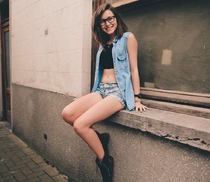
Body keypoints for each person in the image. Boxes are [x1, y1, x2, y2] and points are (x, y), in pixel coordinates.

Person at [61, 3, 148, 182]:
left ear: (116, 18)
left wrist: (137, 98)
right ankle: (100, 139)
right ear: (99, 25)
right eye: (102, 21)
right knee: (67, 114)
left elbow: (134, 69)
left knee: (80, 125)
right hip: (101, 90)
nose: (107, 23)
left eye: (110, 18)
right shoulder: (102, 45)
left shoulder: (128, 38)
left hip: (118, 92)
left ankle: (104, 160)